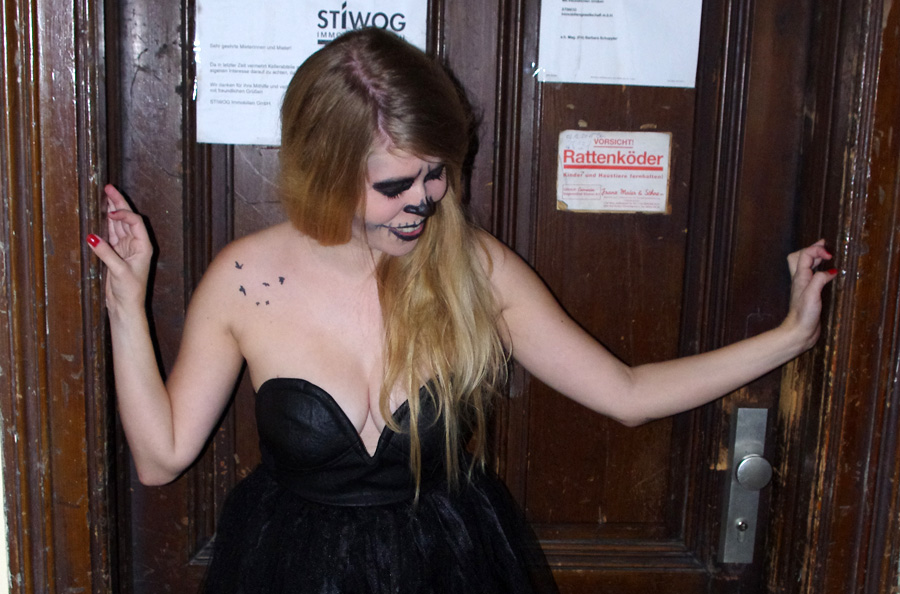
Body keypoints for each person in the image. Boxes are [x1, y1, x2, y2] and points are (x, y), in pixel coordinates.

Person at [86, 27, 837, 594]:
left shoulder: (475, 268)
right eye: (395, 186)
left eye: (436, 173)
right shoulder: (246, 279)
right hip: (289, 568)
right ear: (325, 172)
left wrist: (789, 337)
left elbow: (628, 394)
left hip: (449, 564)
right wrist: (127, 299)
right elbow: (161, 456)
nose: (423, 202)